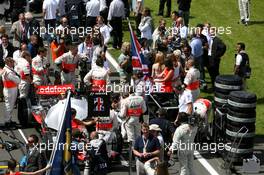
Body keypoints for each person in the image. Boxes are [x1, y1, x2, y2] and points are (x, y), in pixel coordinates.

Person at [1, 57, 20, 127]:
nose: (13, 63)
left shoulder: (6, 69)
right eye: (12, 62)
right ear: (8, 63)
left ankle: (8, 120)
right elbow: (17, 80)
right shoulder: (9, 72)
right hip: (10, 90)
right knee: (9, 106)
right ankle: (7, 122)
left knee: (9, 106)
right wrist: (18, 78)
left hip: (9, 89)